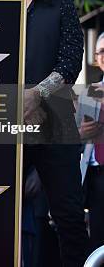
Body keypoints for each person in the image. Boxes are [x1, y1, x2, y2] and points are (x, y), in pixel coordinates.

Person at [0, 0, 89, 266]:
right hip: (2, 123)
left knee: (69, 217)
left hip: (54, 118)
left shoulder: (58, 4)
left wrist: (37, 94)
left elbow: (71, 60)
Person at [76, 32, 104, 253]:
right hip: (95, 178)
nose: (101, 57)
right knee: (98, 241)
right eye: (98, 53)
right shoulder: (90, 92)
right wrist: (81, 133)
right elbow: (74, 136)